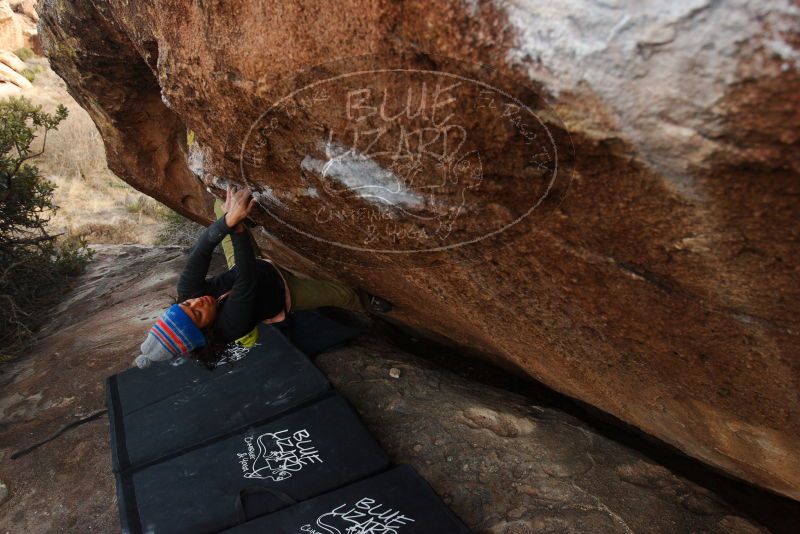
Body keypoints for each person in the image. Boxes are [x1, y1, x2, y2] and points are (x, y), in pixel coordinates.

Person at [134, 184, 392, 370]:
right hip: (281, 292)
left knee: (219, 206)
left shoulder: (187, 293)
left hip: (248, 268)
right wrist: (236, 225)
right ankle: (369, 305)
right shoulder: (229, 327)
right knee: (342, 294)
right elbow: (247, 281)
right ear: (205, 331)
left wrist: (227, 221)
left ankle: (240, 204)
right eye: (198, 314)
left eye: (187, 305)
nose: (198, 302)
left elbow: (201, 250)